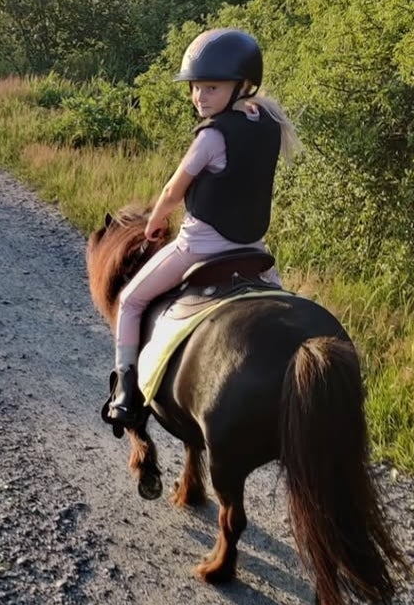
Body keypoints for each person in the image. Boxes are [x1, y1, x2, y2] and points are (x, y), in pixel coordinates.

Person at [105, 27, 300, 430]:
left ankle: (125, 391)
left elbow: (174, 190)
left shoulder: (211, 136)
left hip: (200, 248)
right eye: (195, 88)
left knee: (129, 301)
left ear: (242, 86)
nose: (199, 97)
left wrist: (155, 225)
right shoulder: (268, 121)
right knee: (289, 314)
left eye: (211, 88)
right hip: (254, 249)